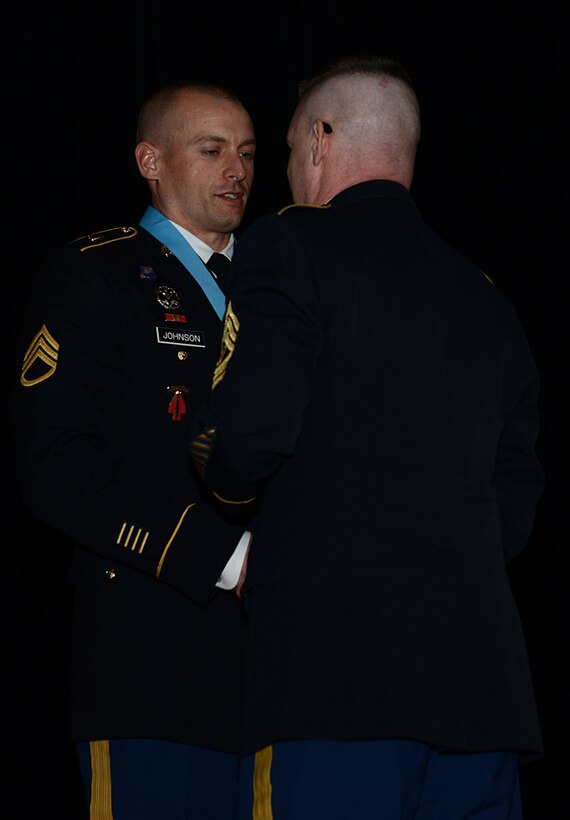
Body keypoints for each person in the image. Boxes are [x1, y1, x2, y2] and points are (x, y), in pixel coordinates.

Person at [189, 56, 545, 819]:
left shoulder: (292, 247)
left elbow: (250, 438)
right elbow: (515, 499)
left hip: (332, 684)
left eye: (284, 150)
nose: (282, 172)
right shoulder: (485, 297)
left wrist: (213, 465)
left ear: (321, 140)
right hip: (481, 696)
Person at [13, 81, 256, 819]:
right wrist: (223, 557)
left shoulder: (282, 284)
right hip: (151, 665)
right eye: (211, 150)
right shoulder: (98, 273)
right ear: (150, 159)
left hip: (284, 676)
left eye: (247, 152)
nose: (236, 170)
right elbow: (58, 469)